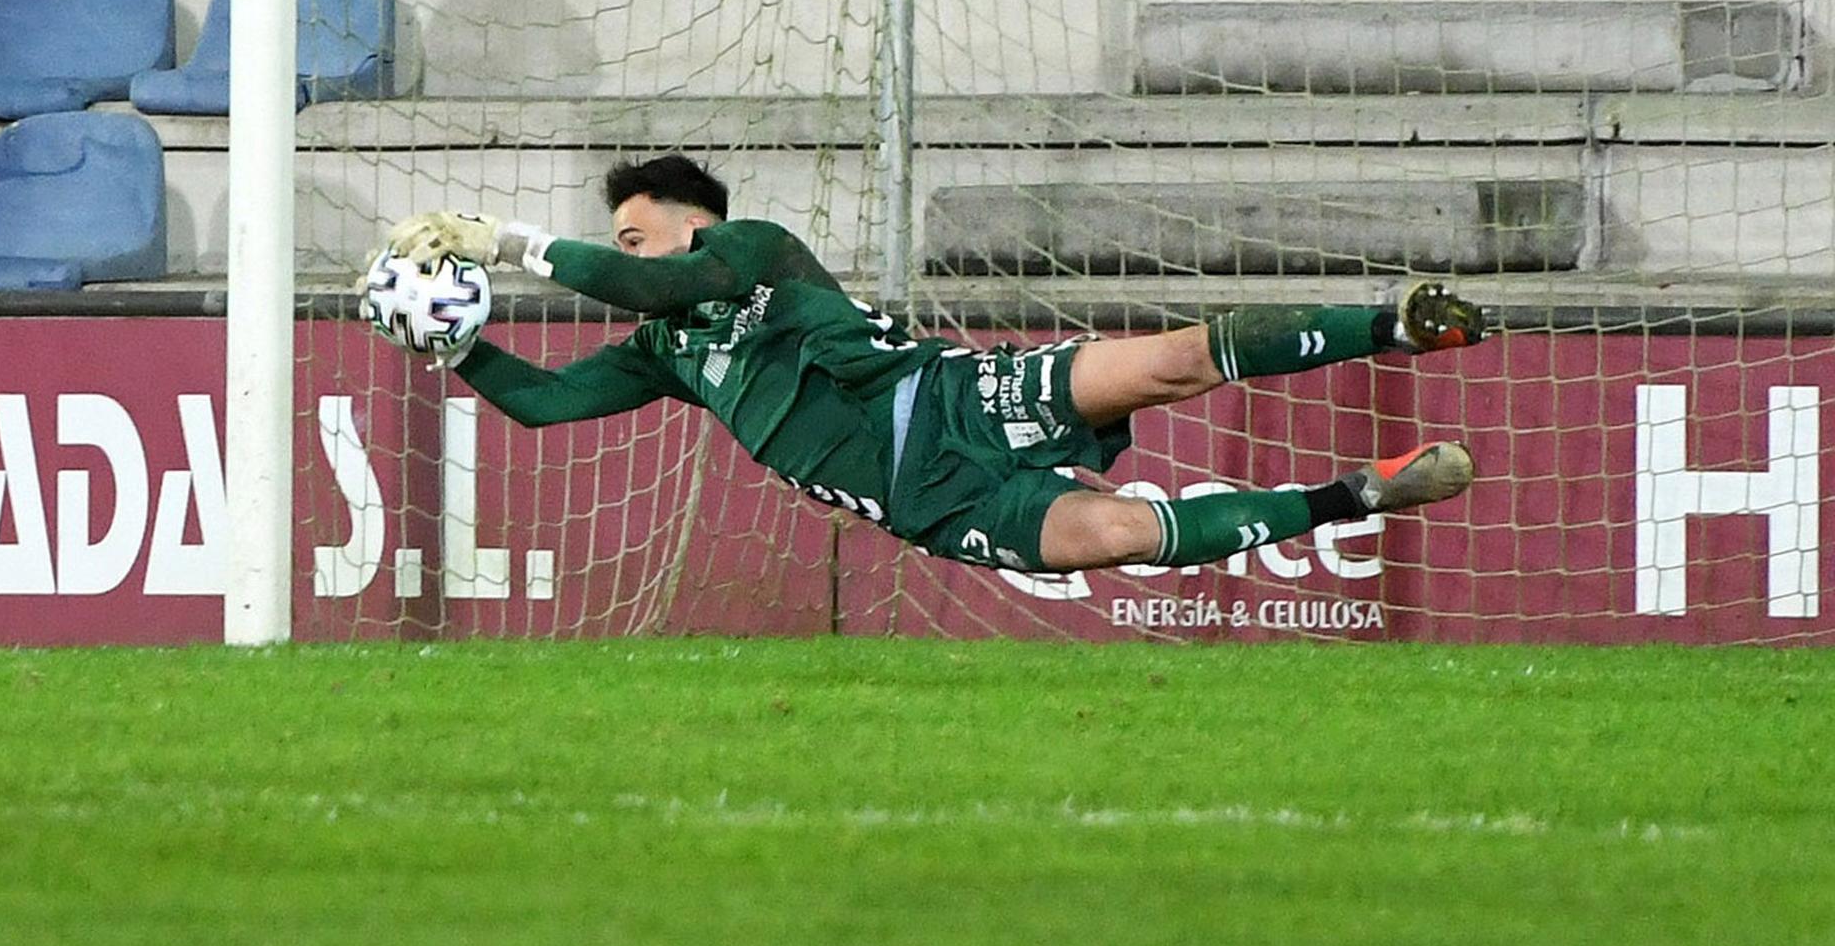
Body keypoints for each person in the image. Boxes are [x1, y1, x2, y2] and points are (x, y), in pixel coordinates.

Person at [371, 154, 1488, 574]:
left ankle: (1390, 325)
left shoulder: (749, 256)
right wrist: (463, 345)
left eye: (630, 231)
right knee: (1118, 534)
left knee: (1171, 361)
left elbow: (653, 282)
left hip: (951, 390)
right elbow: (551, 403)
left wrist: (507, 241)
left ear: (694, 222)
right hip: (928, 497)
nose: (621, 252)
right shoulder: (666, 355)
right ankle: (1358, 493)